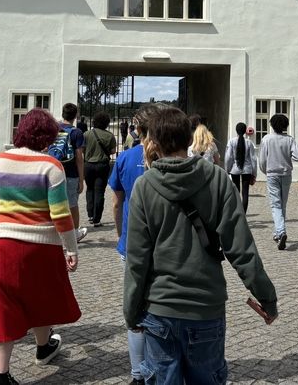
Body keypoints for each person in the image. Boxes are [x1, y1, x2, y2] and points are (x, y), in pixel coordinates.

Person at [124, 106, 278, 384]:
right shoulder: (217, 179)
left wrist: (131, 310)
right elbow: (241, 247)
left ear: (154, 142)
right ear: (189, 138)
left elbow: (137, 260)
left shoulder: (144, 187)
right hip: (205, 306)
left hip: (160, 308)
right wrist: (266, 296)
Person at [0, 108, 81, 385]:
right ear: (48, 137)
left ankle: (1, 376)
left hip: (3, 243)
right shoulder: (51, 166)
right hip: (42, 245)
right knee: (42, 296)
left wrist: (5, 222)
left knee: (1, 306)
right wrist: (71, 249)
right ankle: (43, 346)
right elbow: (61, 214)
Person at [109, 103, 163, 385]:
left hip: (132, 242)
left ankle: (138, 373)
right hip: (164, 245)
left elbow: (117, 203)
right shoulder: (168, 158)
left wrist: (121, 235)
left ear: (136, 129)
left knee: (135, 306)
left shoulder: (126, 158)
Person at [257, 113, 298, 250]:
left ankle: (281, 231)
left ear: (271, 125)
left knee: (275, 204)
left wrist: (266, 171)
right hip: (286, 174)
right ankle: (278, 232)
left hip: (272, 174)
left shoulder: (267, 139)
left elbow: (262, 160)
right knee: (282, 204)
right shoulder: (289, 139)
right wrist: (289, 155)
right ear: (285, 126)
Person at [58, 103, 87, 242]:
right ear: (75, 116)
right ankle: (75, 234)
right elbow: (79, 158)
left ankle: (56, 231)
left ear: (63, 113)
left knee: (54, 202)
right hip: (71, 173)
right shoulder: (76, 133)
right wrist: (81, 179)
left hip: (55, 171)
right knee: (73, 204)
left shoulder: (54, 130)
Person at [83, 111, 116, 228]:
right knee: (100, 191)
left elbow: (82, 149)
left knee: (90, 189)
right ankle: (97, 219)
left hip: (88, 165)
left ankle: (90, 214)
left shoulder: (87, 134)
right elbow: (112, 151)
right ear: (107, 123)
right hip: (102, 165)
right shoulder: (110, 136)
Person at [224, 121, 257, 212]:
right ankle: (244, 213)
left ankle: (237, 211)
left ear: (236, 130)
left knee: (236, 191)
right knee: (245, 192)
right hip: (247, 169)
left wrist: (227, 169)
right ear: (245, 130)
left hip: (235, 169)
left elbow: (228, 157)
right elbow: (253, 159)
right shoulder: (249, 143)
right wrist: (254, 173)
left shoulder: (231, 141)